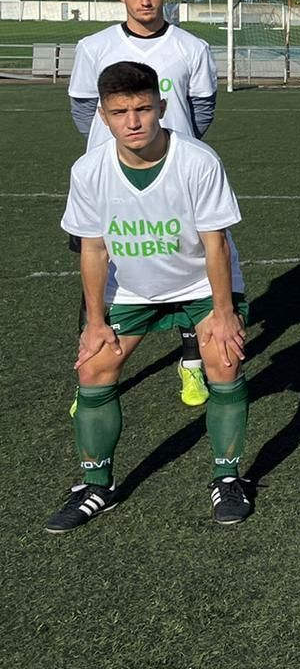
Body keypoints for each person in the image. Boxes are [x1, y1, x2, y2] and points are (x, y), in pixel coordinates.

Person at [48, 61, 251, 531]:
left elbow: (215, 243)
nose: (133, 121)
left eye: (143, 108)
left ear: (161, 105)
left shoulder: (198, 160)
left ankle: (227, 477)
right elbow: (94, 249)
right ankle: (96, 486)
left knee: (224, 359)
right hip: (133, 287)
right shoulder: (89, 170)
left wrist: (223, 312)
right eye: (120, 112)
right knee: (97, 366)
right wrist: (94, 321)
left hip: (201, 283)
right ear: (102, 116)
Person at [67, 0, 217, 408]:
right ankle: (91, 366)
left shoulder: (191, 47)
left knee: (190, 268)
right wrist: (114, 150)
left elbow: (203, 110)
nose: (145, 0)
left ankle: (192, 365)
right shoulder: (94, 46)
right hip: (109, 182)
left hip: (174, 178)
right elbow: (81, 110)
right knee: (97, 268)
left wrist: (167, 153)